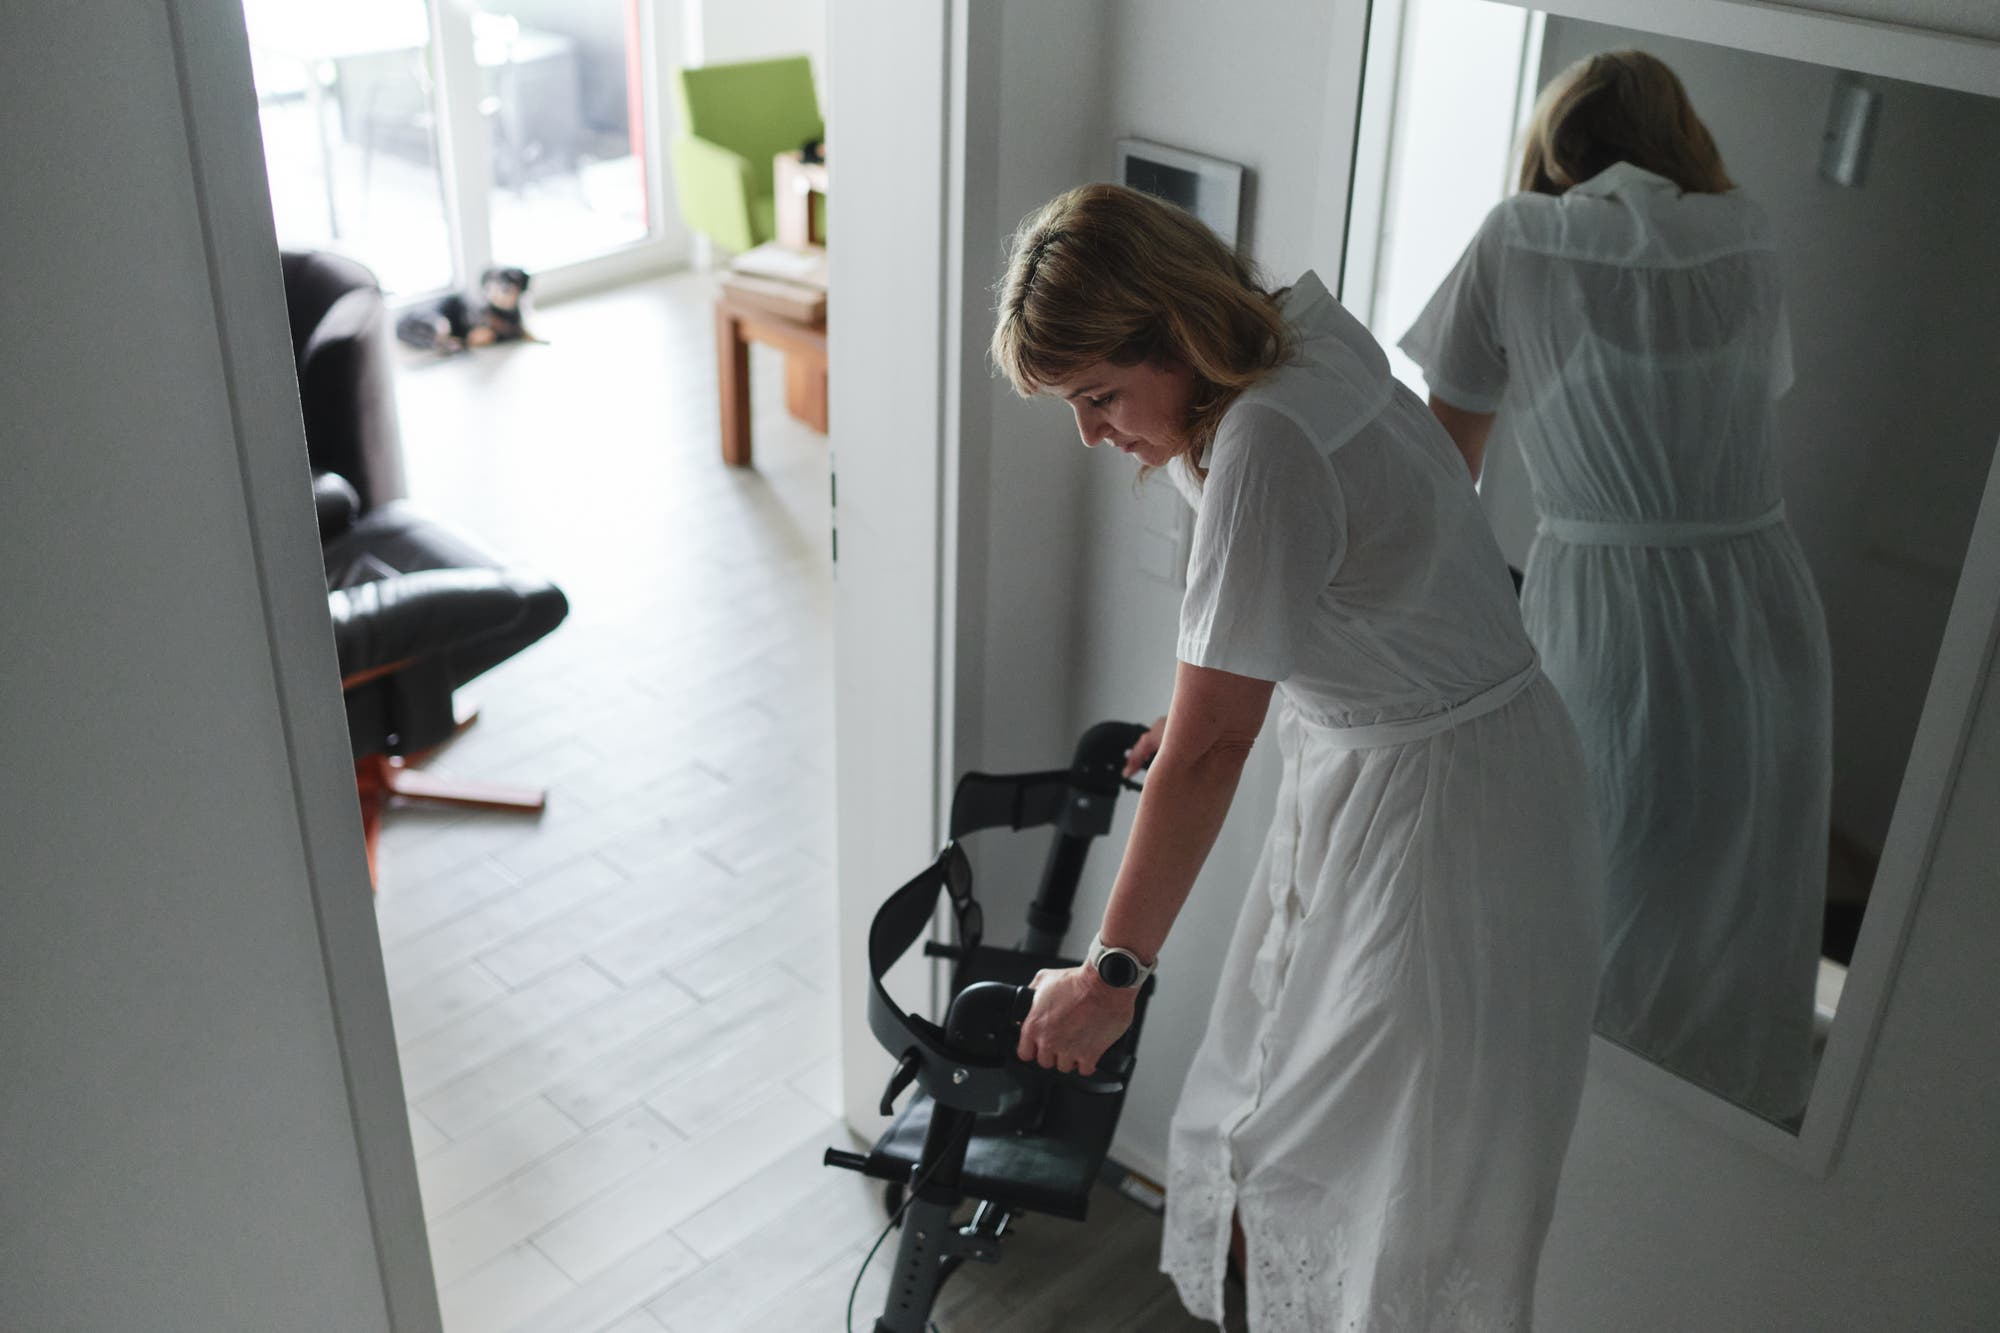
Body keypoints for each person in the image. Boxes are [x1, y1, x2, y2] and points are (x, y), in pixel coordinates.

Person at [993, 183, 1600, 1331]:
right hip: (1423, 766)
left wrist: (1108, 972)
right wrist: (1227, 692)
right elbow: (1361, 564)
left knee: (1382, 1167)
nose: (1089, 432)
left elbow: (1219, 743)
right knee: (1299, 1135)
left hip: (1443, 820)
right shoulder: (1296, 337)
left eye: (1098, 396)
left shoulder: (1265, 432)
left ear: (1169, 331)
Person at [1400, 50, 1833, 1125]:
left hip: (1615, 608)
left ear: (1557, 143)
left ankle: (1588, 1143)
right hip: (1762, 598)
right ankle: (1701, 1131)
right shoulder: (1744, 230)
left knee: (1594, 880)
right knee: (1732, 882)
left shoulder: (1520, 234)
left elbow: (1434, 472)